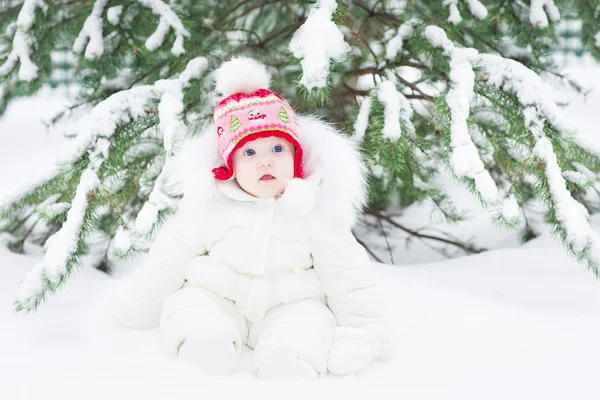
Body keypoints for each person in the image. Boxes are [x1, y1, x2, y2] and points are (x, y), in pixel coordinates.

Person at [116, 56, 394, 380]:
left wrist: (367, 330)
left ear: (297, 156)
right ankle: (205, 344)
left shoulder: (313, 210)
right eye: (249, 152)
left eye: (278, 150)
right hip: (219, 295)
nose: (265, 162)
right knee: (189, 305)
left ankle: (288, 356)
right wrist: (140, 309)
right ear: (228, 164)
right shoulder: (211, 205)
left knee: (310, 321)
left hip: (288, 303)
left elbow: (348, 274)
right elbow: (169, 258)